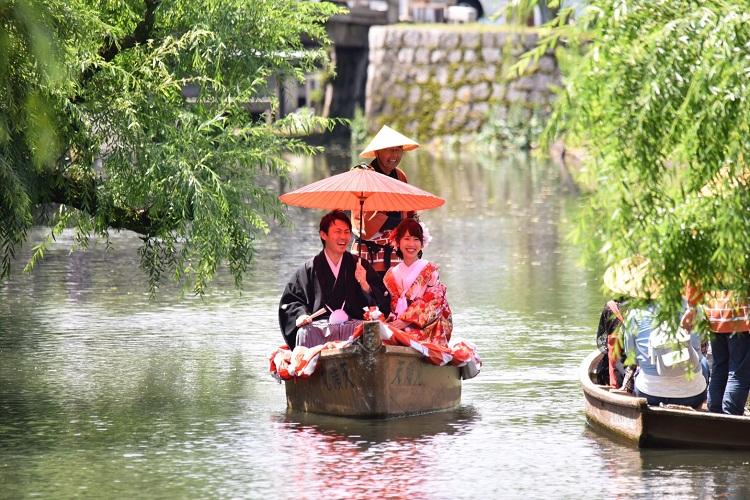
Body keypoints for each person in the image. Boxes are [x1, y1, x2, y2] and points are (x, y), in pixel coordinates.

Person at [605, 257, 709, 408]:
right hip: (692, 396)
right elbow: (698, 354)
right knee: (704, 363)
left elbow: (631, 356)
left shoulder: (634, 314)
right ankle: (701, 406)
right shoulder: (692, 309)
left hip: (649, 394)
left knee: (640, 368)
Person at [278, 210, 391, 348]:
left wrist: (364, 284)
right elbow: (291, 301)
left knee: (369, 330)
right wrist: (301, 315)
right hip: (320, 329)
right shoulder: (309, 269)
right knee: (304, 332)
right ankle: (310, 367)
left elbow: (383, 303)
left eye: (347, 232)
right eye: (338, 232)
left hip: (353, 327)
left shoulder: (360, 266)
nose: (343, 237)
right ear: (323, 235)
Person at [352, 125, 420, 276]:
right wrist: (393, 220)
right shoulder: (364, 175)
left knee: (396, 297)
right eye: (389, 149)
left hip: (395, 251)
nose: (394, 155)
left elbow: (409, 212)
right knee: (367, 296)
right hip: (369, 250)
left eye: (398, 149)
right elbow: (364, 222)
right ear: (377, 152)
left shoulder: (401, 176)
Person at [382, 218, 452, 347]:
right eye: (407, 238)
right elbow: (393, 305)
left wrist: (407, 320)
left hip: (426, 326)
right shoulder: (391, 274)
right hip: (399, 322)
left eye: (416, 239)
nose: (412, 244)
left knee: (405, 336)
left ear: (421, 243)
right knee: (380, 334)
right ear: (398, 241)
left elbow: (435, 300)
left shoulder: (429, 269)